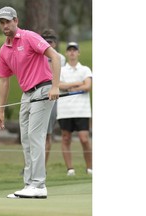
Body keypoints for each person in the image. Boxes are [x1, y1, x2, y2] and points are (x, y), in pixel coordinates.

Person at [0, 6, 61, 199]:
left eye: (8, 21)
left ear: (16, 20)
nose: (5, 26)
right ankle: (29, 184)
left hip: (43, 89)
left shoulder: (29, 37)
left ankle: (39, 185)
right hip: (27, 95)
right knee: (25, 139)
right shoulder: (4, 49)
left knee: (35, 136)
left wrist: (55, 86)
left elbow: (55, 57)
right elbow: (4, 80)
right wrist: (1, 111)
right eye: (2, 23)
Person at [57, 42, 92, 176]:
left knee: (84, 139)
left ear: (78, 53)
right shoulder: (61, 70)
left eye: (74, 50)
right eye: (69, 50)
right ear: (66, 53)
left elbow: (87, 86)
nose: (72, 52)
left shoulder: (85, 69)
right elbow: (59, 85)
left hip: (82, 110)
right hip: (64, 110)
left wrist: (70, 87)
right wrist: (78, 83)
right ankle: (70, 169)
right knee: (66, 138)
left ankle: (90, 168)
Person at [40, 29, 66, 167]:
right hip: (37, 95)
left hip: (52, 96)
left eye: (50, 42)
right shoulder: (36, 55)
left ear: (54, 44)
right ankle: (32, 166)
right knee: (34, 135)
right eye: (45, 41)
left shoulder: (59, 57)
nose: (47, 44)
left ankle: (42, 167)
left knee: (47, 134)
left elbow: (52, 71)